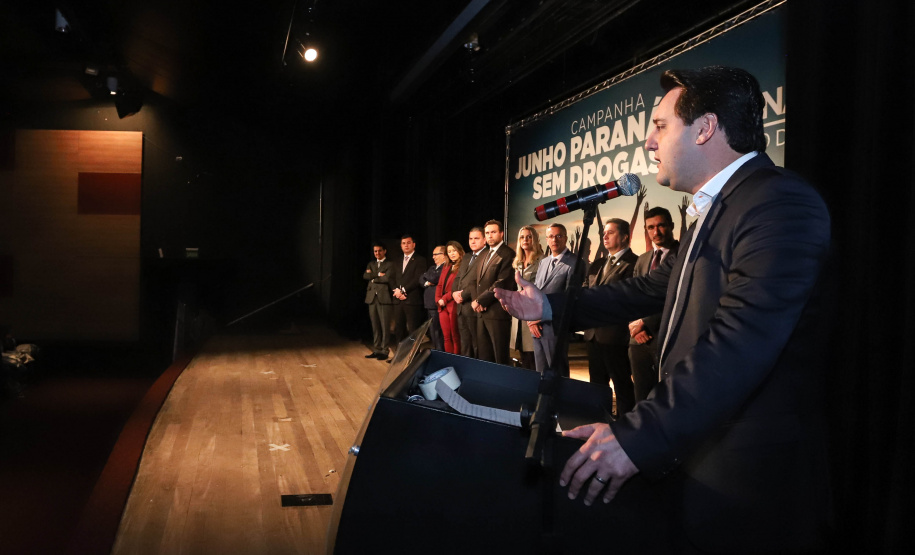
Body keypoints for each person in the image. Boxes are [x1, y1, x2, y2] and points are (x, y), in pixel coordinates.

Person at [495, 66, 831, 552]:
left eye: (660, 126)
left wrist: (638, 434)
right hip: (696, 455)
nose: (649, 143)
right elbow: (643, 290)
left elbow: (739, 345)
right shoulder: (710, 212)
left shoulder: (779, 203)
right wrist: (547, 303)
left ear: (706, 128)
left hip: (748, 483)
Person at [582, 219, 638, 415]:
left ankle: (625, 428)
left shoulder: (634, 263)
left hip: (616, 336)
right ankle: (599, 423)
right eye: (604, 232)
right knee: (596, 387)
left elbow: (623, 297)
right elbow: (584, 292)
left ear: (624, 236)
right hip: (593, 335)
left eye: (611, 232)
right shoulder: (597, 264)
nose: (604, 236)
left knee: (622, 385)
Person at [628, 206, 680, 401]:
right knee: (641, 395)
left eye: (661, 226)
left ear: (671, 226)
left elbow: (675, 296)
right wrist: (634, 325)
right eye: (650, 227)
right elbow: (633, 296)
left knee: (666, 397)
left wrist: (646, 323)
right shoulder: (642, 260)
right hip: (637, 339)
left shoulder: (683, 254)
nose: (656, 232)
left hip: (665, 337)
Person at [531, 222, 579, 374]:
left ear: (565, 238)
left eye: (558, 236)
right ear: (546, 239)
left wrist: (542, 316)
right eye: (551, 236)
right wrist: (531, 319)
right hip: (536, 327)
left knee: (557, 371)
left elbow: (571, 298)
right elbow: (536, 292)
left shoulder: (575, 262)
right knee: (541, 371)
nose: (554, 240)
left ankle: (562, 399)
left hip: (555, 326)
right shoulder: (543, 262)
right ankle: (544, 398)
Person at [472, 219, 516, 364]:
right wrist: (478, 301)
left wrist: (481, 300)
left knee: (499, 356)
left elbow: (502, 282)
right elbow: (478, 283)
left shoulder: (508, 254)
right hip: (482, 313)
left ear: (501, 234)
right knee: (484, 356)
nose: (490, 236)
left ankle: (502, 385)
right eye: (487, 233)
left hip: (497, 313)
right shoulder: (484, 254)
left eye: (493, 232)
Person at [508, 226, 544, 369]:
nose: (525, 240)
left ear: (534, 239)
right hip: (519, 317)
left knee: (534, 359)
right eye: (522, 237)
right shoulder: (517, 261)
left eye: (529, 236)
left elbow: (542, 290)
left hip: (533, 315)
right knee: (523, 357)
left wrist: (535, 318)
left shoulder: (541, 260)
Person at [451, 227, 486, 358]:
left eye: (476, 238)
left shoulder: (486, 255)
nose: (473, 241)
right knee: (465, 343)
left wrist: (462, 295)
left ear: (484, 240)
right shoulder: (466, 256)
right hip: (460, 307)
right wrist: (454, 293)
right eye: (471, 238)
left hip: (473, 307)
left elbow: (478, 281)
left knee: (477, 343)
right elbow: (458, 277)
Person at [390, 234, 427, 348]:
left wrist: (403, 291)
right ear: (401, 246)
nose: (406, 245)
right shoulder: (396, 261)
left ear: (414, 245)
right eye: (403, 243)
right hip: (398, 300)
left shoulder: (420, 260)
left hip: (412, 300)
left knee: (413, 330)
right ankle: (399, 359)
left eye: (408, 243)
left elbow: (418, 278)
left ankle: (413, 358)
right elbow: (391, 278)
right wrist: (396, 291)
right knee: (399, 329)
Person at [363, 242, 394, 360]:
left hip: (384, 297)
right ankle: (376, 349)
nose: (377, 253)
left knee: (385, 325)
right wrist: (377, 275)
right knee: (375, 325)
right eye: (375, 251)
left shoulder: (390, 264)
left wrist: (373, 278)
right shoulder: (371, 264)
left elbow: (387, 278)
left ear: (384, 251)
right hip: (372, 298)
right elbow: (365, 276)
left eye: (379, 251)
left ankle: (384, 350)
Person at [435, 241, 464, 354]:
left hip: (453, 304)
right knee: (446, 337)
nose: (452, 254)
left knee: (455, 336)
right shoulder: (446, 266)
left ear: (459, 251)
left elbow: (458, 286)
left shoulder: (463, 266)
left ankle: (457, 360)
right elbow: (440, 285)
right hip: (442, 306)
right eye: (449, 251)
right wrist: (438, 300)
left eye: (454, 251)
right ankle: (449, 360)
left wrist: (445, 298)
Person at [420, 246, 447, 350]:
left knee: (437, 332)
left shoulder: (444, 268)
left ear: (444, 256)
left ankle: (440, 354)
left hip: (436, 305)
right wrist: (427, 281)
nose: (433, 257)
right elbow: (421, 279)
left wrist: (426, 277)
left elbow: (435, 278)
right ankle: (436, 352)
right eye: (433, 254)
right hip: (429, 304)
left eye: (436, 254)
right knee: (432, 332)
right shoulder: (432, 268)